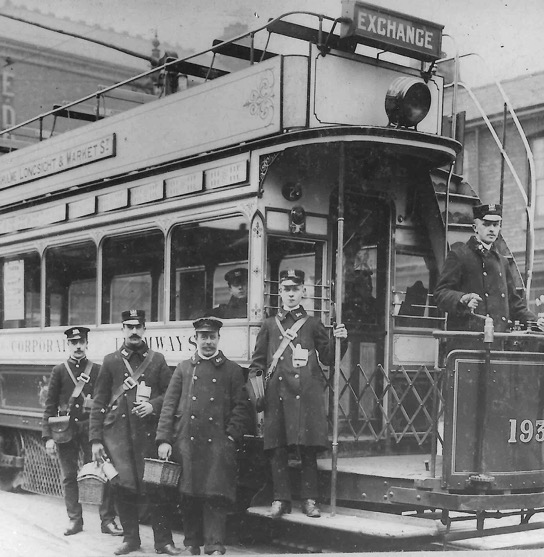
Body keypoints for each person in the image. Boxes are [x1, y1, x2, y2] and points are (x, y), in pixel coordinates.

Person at [249, 269, 348, 519]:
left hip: (306, 395)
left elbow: (328, 357)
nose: (291, 294)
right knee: (278, 449)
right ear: (279, 292)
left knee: (308, 450)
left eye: (295, 289)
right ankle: (280, 499)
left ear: (303, 292)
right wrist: (258, 395)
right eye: (286, 289)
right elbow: (257, 364)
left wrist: (340, 340)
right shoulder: (270, 325)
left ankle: (310, 500)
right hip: (277, 395)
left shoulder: (313, 324)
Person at [156, 316, 252, 556]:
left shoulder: (232, 370)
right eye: (203, 337)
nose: (207, 342)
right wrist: (164, 439)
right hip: (186, 442)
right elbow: (169, 405)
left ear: (218, 339)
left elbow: (242, 407)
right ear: (195, 339)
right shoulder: (184, 368)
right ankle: (192, 543)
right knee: (188, 495)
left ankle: (215, 545)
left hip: (218, 444)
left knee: (215, 496)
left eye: (212, 337)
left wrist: (231, 437)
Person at [90, 310, 181, 556]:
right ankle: (131, 540)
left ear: (144, 329)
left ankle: (163, 542)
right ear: (122, 329)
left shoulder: (157, 360)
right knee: (123, 487)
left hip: (148, 437)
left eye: (138, 326)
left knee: (157, 489)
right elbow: (99, 402)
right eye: (129, 327)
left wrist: (153, 406)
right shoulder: (110, 361)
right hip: (117, 438)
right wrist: (96, 440)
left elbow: (170, 396)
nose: (133, 331)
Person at [42, 326, 122, 537]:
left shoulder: (97, 370)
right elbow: (49, 406)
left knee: (102, 474)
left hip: (90, 430)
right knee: (69, 476)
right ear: (67, 345)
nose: (78, 346)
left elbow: (104, 400)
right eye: (73, 343)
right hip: (65, 431)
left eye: (81, 342)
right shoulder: (59, 371)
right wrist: (48, 436)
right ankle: (74, 520)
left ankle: (107, 520)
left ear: (87, 344)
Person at [434, 203, 544, 337]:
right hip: (469, 340)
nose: (492, 229)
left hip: (498, 338)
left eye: (495, 225)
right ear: (475, 227)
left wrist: (536, 321)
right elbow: (440, 293)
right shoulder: (459, 256)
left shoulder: (502, 262)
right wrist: (462, 298)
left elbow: (514, 303)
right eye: (486, 224)